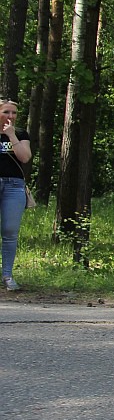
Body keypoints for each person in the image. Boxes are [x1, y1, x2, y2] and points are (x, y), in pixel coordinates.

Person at [0, 98, 32, 291]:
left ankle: (7, 275)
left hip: (14, 187)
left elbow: (25, 157)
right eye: (6, 112)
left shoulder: (20, 133)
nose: (10, 116)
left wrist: (11, 136)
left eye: (14, 113)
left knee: (10, 232)